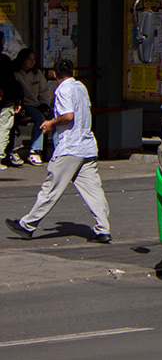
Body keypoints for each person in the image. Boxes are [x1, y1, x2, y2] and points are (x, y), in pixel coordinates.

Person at [6, 59, 111, 244]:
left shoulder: (63, 89)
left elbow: (68, 115)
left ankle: (27, 225)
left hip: (70, 147)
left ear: (55, 75)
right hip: (87, 146)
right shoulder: (80, 87)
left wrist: (50, 123)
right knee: (93, 190)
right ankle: (103, 229)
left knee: (51, 188)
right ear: (73, 72)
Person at [14, 48, 48, 165]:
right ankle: (35, 151)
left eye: (33, 59)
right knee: (39, 119)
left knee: (56, 116)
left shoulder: (37, 73)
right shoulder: (16, 74)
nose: (32, 62)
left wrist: (45, 104)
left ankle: (59, 150)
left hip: (38, 104)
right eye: (29, 59)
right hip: (25, 105)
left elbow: (44, 91)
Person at [0, 53, 20, 170]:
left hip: (6, 100)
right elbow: (13, 82)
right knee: (3, 129)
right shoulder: (5, 60)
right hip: (6, 100)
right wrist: (16, 100)